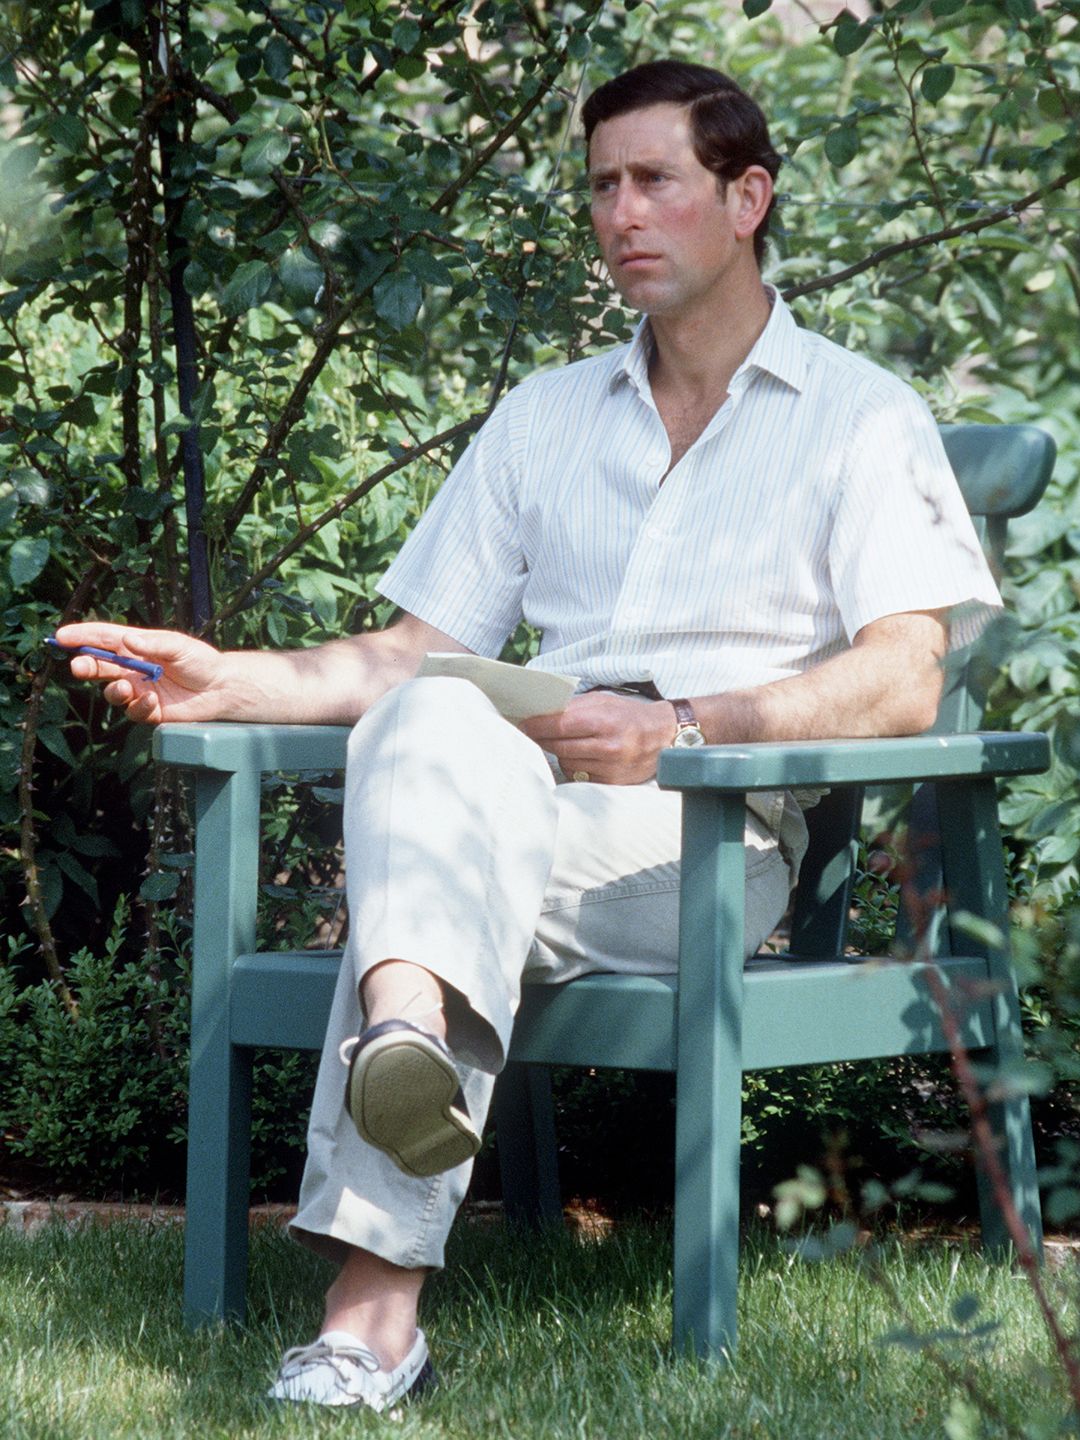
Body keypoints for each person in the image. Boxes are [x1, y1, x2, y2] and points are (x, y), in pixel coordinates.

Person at [57, 59, 1001, 1411]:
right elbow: (408, 654)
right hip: (500, 805)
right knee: (437, 709)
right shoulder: (544, 418)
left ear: (747, 198)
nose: (622, 213)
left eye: (655, 181)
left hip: (699, 839)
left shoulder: (861, 420)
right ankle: (391, 1161)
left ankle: (384, 1199)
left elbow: (904, 675)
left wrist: (685, 722)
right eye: (603, 185)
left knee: (430, 807)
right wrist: (226, 680)